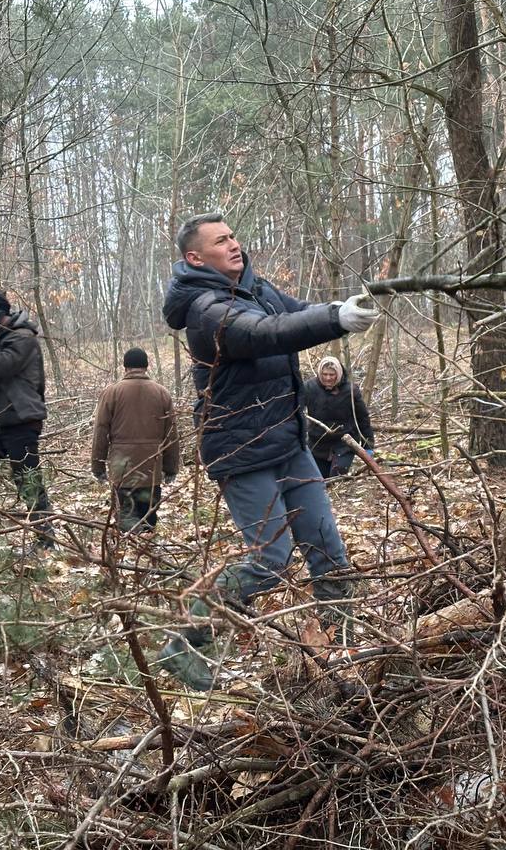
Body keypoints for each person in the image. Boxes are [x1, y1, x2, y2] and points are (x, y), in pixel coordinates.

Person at [158, 212, 379, 689]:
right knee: (269, 560)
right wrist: (334, 319)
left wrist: (339, 308)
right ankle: (183, 647)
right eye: (221, 241)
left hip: (288, 440)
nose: (234, 244)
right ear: (196, 257)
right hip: (242, 449)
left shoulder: (255, 287)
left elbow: (295, 314)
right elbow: (265, 334)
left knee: (328, 549)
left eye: (233, 235)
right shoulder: (205, 308)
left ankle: (343, 650)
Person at [0, 290, 54, 547]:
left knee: (28, 481)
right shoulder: (0, 338)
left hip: (20, 422)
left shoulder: (23, 338)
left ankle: (46, 540)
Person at [91, 347, 181, 534]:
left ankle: (128, 557)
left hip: (122, 467)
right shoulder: (162, 393)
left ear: (125, 367)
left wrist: (97, 466)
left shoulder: (112, 393)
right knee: (149, 519)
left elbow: (100, 431)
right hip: (152, 466)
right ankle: (147, 555)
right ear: (146, 366)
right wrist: (171, 468)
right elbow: (171, 433)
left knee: (126, 521)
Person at [303, 356, 375, 479]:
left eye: (332, 374)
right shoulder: (309, 387)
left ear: (339, 373)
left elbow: (362, 419)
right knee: (321, 481)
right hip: (318, 443)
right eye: (325, 374)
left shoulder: (351, 391)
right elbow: (296, 411)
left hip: (344, 443)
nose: (328, 378)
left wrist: (367, 445)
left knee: (337, 476)